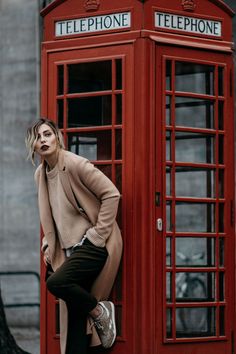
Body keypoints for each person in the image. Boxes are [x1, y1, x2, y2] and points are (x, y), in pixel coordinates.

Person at [25, 118, 123, 354]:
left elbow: (112, 194)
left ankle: (100, 311)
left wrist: (98, 235)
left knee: (57, 283)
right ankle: (94, 314)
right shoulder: (41, 173)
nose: (43, 140)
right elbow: (53, 213)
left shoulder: (76, 164)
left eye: (47, 134)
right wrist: (48, 242)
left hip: (95, 245)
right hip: (68, 251)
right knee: (76, 327)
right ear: (33, 146)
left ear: (57, 137)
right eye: (37, 138)